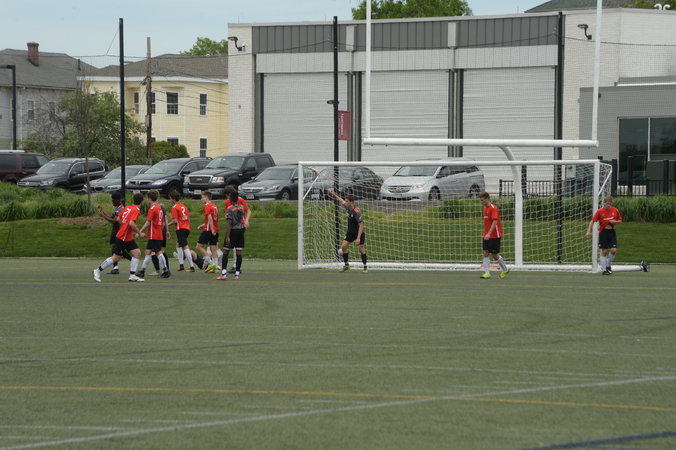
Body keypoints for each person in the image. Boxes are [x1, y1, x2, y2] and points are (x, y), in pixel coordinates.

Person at [93, 192, 146, 282]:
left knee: (137, 253)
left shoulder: (128, 207)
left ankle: (132, 276)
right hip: (123, 237)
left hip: (126, 236)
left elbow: (118, 219)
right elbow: (131, 223)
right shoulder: (136, 210)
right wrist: (139, 233)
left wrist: (125, 228)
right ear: (142, 201)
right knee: (116, 257)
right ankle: (97, 270)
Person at [328, 188, 368, 273]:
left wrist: (358, 238)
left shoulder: (357, 212)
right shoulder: (347, 207)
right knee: (343, 247)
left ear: (351, 202)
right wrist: (334, 194)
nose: (345, 202)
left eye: (347, 201)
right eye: (345, 201)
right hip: (350, 232)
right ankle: (346, 265)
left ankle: (365, 267)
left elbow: (361, 225)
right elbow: (341, 201)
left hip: (359, 233)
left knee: (361, 248)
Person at [137, 189, 171, 279]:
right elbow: (163, 222)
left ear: (149, 199)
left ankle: (166, 270)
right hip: (157, 232)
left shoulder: (152, 208)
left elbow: (148, 222)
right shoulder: (159, 207)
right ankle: (142, 271)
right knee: (148, 252)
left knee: (158, 252)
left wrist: (140, 231)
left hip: (154, 234)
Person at [586, 195, 622, 275]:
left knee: (613, 250)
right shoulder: (600, 211)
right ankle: (604, 269)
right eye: (607, 203)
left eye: (610, 204)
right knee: (604, 251)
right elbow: (592, 221)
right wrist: (588, 231)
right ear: (604, 203)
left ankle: (608, 265)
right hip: (603, 232)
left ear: (612, 203)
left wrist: (615, 222)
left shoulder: (615, 210)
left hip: (612, 232)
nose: (608, 205)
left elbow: (620, 220)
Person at [96, 190, 130, 274]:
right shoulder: (118, 208)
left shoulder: (121, 209)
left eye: (113, 201)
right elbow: (111, 217)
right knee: (115, 249)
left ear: (117, 200)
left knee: (120, 251)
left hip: (118, 231)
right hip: (115, 230)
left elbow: (114, 221)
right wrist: (102, 212)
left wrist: (103, 216)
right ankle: (116, 268)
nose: (112, 202)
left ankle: (133, 261)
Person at [217, 190, 247, 280]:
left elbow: (229, 223)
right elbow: (242, 218)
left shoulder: (229, 209)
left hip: (233, 231)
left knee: (226, 251)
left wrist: (228, 236)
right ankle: (237, 275)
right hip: (240, 231)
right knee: (238, 252)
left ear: (231, 198)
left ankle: (223, 274)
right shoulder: (241, 207)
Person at [479, 192, 509, 279]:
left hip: (495, 235)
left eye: (482, 200)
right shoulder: (485, 208)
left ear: (487, 198)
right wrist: (485, 233)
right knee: (485, 253)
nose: (481, 202)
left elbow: (495, 221)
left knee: (495, 255)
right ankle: (487, 273)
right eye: (480, 200)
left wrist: (489, 233)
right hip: (487, 235)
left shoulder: (493, 208)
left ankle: (505, 269)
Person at [222, 185, 251, 273]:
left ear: (229, 195)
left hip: (239, 226)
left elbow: (248, 210)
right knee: (233, 247)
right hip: (233, 226)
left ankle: (234, 267)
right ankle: (235, 269)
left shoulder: (240, 200)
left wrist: (246, 220)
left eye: (228, 195)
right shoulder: (227, 203)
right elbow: (227, 214)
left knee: (234, 247)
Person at [167, 190, 195, 272]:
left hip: (180, 229)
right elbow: (188, 218)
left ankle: (192, 266)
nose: (169, 200)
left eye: (170, 199)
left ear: (173, 199)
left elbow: (175, 220)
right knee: (178, 245)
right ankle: (181, 265)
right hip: (186, 228)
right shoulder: (183, 206)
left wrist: (167, 224)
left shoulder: (174, 207)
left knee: (185, 246)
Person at [196, 191, 220, 272]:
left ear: (206, 197)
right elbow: (214, 219)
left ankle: (210, 263)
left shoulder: (207, 205)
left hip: (209, 230)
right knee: (213, 248)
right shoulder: (214, 206)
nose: (201, 199)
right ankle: (216, 267)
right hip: (215, 229)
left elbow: (210, 218)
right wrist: (203, 225)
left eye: (202, 197)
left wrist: (211, 229)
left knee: (199, 246)